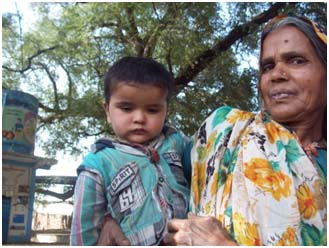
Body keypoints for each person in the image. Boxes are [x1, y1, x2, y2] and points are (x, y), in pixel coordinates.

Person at [98, 15, 327, 246]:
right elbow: (139, 164)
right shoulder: (223, 132)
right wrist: (106, 216)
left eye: (297, 60)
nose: (277, 74)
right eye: (267, 66)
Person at [70, 56, 190, 245]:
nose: (139, 118)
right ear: (107, 111)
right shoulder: (98, 164)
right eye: (126, 108)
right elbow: (83, 227)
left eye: (152, 110)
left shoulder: (177, 142)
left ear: (166, 110)